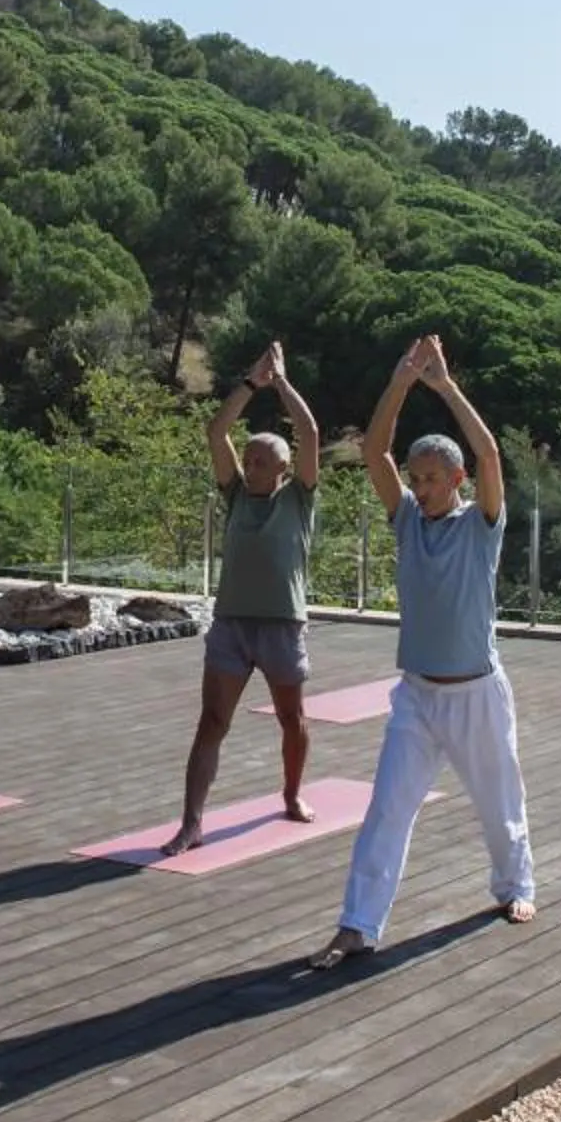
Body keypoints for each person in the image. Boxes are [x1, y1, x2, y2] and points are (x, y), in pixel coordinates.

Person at [312, 335, 537, 968]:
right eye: (418, 479)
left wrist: (443, 385)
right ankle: (359, 924)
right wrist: (401, 380)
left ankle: (516, 885)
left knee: (499, 802)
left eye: (436, 479)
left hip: (476, 694)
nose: (425, 488)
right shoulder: (409, 519)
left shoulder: (479, 527)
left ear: (458, 480)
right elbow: (371, 450)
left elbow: (490, 453)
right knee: (386, 808)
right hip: (417, 695)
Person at [162, 339, 322, 854]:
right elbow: (216, 431)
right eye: (247, 459)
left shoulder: (298, 500)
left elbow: (311, 433)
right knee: (212, 721)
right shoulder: (234, 497)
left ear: (282, 468)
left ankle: (292, 794)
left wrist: (283, 383)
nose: (249, 466)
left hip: (281, 626)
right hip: (232, 623)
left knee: (291, 719)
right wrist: (253, 384)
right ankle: (191, 822)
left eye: (259, 461)